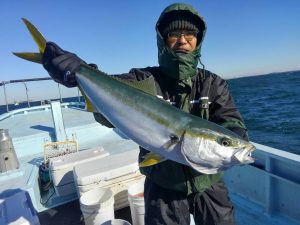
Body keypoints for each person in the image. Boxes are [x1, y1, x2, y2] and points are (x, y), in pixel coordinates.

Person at [42, 3, 248, 225]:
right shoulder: (142, 80)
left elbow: (230, 119)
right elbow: (106, 110)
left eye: (190, 34)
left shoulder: (213, 83)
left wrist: (235, 134)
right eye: (174, 34)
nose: (182, 40)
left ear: (198, 40)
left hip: (208, 181)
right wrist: (80, 72)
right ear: (162, 39)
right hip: (162, 184)